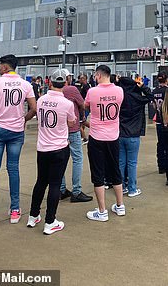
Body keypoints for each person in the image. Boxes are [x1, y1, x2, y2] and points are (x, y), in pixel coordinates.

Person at [0, 54, 36, 225]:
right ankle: (15, 210)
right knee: (13, 169)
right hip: (16, 131)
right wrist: (23, 119)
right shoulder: (26, 84)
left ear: (5, 67)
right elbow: (33, 108)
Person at [27, 69, 76, 235]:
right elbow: (71, 123)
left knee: (41, 181)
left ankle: (33, 215)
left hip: (43, 147)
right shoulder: (67, 104)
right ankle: (50, 221)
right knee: (55, 184)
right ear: (66, 83)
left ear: (50, 82)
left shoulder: (41, 100)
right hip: (59, 147)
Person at [85, 65, 124, 221]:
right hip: (113, 137)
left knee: (98, 174)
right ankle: (120, 206)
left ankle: (102, 211)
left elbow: (86, 105)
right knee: (115, 171)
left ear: (99, 75)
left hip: (96, 137)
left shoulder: (92, 92)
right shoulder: (119, 91)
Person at [59, 71, 93, 203]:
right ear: (67, 78)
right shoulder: (72, 89)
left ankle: (61, 189)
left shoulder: (54, 92)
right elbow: (82, 104)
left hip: (59, 130)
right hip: (72, 129)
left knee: (61, 160)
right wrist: (82, 118)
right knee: (77, 159)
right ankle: (76, 191)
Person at [118, 77, 153, 196]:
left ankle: (121, 186)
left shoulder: (119, 97)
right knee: (132, 162)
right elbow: (150, 97)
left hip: (120, 133)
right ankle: (132, 188)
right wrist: (142, 86)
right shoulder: (137, 98)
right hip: (133, 134)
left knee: (121, 161)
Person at [152, 72, 168, 174]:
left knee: (161, 144)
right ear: (166, 80)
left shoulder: (154, 91)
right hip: (167, 121)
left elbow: (154, 106)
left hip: (159, 120)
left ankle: (161, 166)